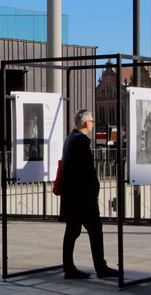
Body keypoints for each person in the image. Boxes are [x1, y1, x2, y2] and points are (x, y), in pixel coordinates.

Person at [59, 109, 119, 279]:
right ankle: (101, 267)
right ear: (86, 123)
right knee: (94, 230)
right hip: (82, 198)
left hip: (72, 196)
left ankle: (69, 268)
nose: (93, 123)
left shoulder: (70, 139)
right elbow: (86, 172)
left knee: (72, 231)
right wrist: (94, 190)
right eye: (92, 120)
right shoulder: (80, 142)